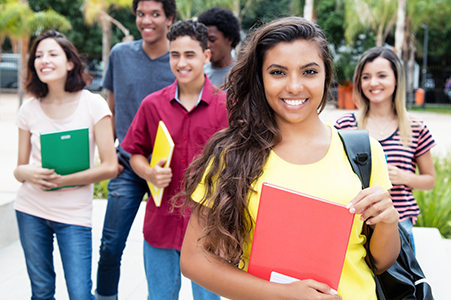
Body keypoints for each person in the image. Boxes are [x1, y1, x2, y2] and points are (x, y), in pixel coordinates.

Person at [179, 17, 401, 300]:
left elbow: (382, 262)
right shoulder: (233, 154)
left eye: (309, 71)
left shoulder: (363, 152)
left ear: (326, 75)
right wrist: (283, 294)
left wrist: (388, 221)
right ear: (260, 78)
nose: (295, 86)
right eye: (278, 72)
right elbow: (194, 259)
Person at [121, 20, 227, 299]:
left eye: (190, 54)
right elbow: (135, 154)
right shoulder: (152, 105)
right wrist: (149, 172)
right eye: (174, 54)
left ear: (206, 56)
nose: (181, 62)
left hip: (208, 231)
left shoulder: (227, 107)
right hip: (161, 226)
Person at [13, 30, 117, 300]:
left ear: (70, 62)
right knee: (42, 291)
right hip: (30, 210)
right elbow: (19, 169)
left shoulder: (93, 104)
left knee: (80, 294)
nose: (43, 60)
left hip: (73, 215)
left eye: (51, 54)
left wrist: (63, 180)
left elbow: (110, 166)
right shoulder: (29, 109)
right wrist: (29, 173)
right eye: (38, 55)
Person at [96, 1, 177, 299]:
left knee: (169, 249)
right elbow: (111, 110)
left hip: (168, 170)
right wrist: (110, 154)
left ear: (169, 18)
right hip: (127, 165)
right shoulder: (120, 54)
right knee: (111, 245)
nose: (146, 21)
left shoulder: (179, 60)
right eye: (141, 14)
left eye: (155, 14)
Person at [334, 47, 436, 251]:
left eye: (382, 76)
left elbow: (430, 180)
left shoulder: (415, 128)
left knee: (402, 283)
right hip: (356, 224)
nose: (373, 83)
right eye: (366, 77)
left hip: (400, 226)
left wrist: (404, 177)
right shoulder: (345, 125)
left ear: (396, 79)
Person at [197, 6, 241, 87]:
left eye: (212, 39)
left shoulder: (242, 76)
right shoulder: (197, 74)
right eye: (203, 40)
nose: (207, 45)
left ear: (229, 39)